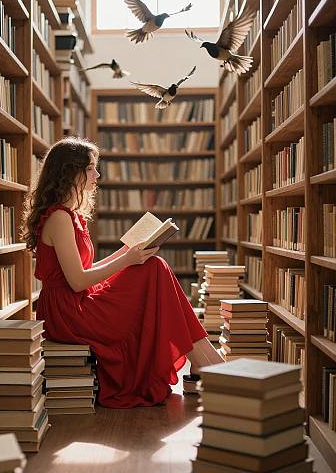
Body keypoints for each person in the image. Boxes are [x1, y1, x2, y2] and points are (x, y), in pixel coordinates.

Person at [22, 137, 224, 409]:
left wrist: (127, 253)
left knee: (153, 267)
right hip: (68, 312)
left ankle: (207, 365)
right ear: (71, 172)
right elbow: (77, 279)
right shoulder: (59, 218)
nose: (97, 175)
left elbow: (83, 271)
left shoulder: (69, 216)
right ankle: (211, 366)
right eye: (91, 168)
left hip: (76, 302)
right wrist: (128, 259)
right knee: (155, 269)